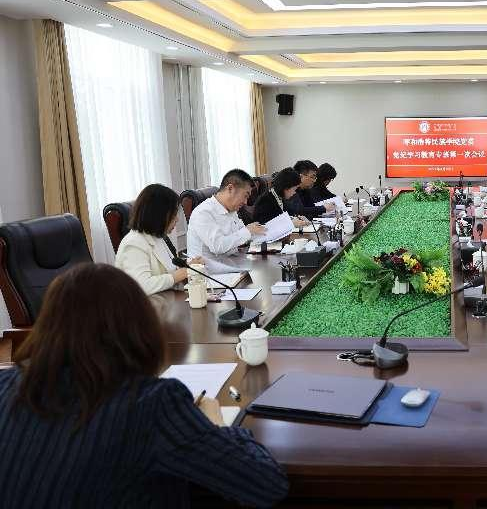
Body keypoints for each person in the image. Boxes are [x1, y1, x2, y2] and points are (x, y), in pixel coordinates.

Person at [0, 264, 290, 508]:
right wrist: (216, 425)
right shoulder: (150, 404)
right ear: (140, 327)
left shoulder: (5, 384)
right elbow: (266, 483)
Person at [115, 184, 203, 295]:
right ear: (158, 215)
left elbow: (169, 270)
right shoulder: (133, 243)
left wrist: (189, 265)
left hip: (166, 298)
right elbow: (142, 286)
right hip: (147, 304)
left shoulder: (158, 237)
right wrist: (181, 273)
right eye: (173, 214)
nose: (177, 219)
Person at [187, 169, 266, 258]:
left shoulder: (231, 209)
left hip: (232, 260)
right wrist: (248, 231)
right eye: (245, 196)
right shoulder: (203, 212)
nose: (245, 202)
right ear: (230, 189)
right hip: (210, 266)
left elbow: (241, 235)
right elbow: (218, 246)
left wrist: (256, 232)